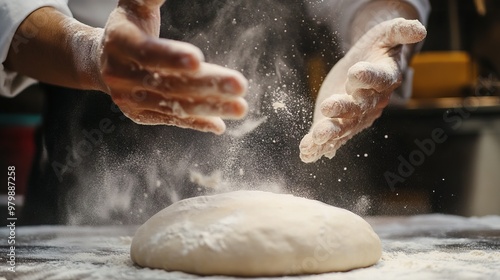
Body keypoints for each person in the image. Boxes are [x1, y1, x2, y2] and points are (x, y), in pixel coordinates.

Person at [1, 0, 429, 224]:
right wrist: (90, 57)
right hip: (94, 121)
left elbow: (375, 2)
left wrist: (379, 34)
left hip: (282, 145)